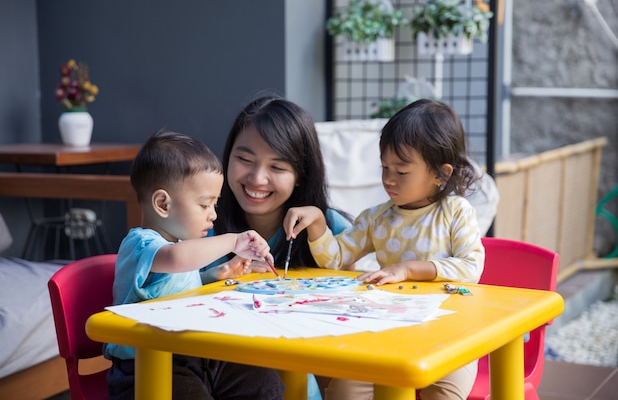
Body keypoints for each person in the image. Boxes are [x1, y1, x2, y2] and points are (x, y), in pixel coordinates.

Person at [284, 99, 485, 400]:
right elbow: (336, 259)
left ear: (440, 174)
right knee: (343, 391)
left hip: (452, 336)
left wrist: (408, 269)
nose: (388, 179)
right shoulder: (376, 218)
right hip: (385, 337)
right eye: (385, 167)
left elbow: (471, 267)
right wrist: (316, 222)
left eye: (402, 171)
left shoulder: (456, 212)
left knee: (444, 395)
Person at [104, 130, 285, 400]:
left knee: (264, 380)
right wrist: (233, 241)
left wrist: (215, 274)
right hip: (146, 365)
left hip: (194, 353)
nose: (213, 215)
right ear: (163, 204)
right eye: (204, 205)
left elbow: (174, 284)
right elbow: (176, 259)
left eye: (215, 204)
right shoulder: (141, 244)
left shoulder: (177, 244)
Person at [199, 94, 353, 400]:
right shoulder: (202, 226)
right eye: (244, 159)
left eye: (278, 166)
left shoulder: (329, 228)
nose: (257, 178)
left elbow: (358, 295)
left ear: (301, 176)